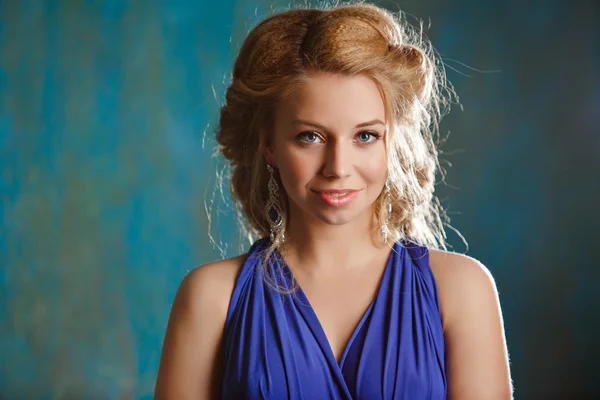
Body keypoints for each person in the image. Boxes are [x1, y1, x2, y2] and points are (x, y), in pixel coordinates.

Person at [154, 2, 512, 399]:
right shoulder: (211, 298)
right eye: (310, 136)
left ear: (392, 141)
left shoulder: (461, 290)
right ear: (268, 144)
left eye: (365, 136)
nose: (338, 167)